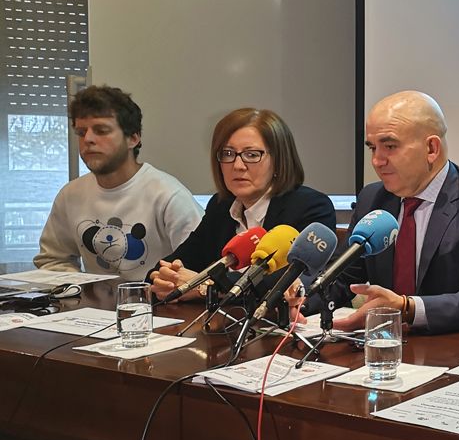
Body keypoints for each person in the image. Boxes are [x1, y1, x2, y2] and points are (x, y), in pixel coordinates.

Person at [312, 91, 459, 334]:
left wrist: (407, 307)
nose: (376, 161)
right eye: (372, 148)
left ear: (431, 148)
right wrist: (300, 299)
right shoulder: (373, 199)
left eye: (390, 146)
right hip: (393, 346)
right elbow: (342, 280)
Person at [149, 108, 335, 301]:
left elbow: (284, 284)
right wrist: (164, 278)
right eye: (228, 153)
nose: (238, 165)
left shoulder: (310, 207)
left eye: (252, 155)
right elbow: (176, 262)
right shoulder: (221, 207)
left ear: (278, 160)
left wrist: (205, 287)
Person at [34, 85, 203, 282]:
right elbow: (53, 260)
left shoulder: (168, 195)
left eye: (101, 130)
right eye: (81, 132)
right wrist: (83, 290)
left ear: (133, 138)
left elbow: (201, 266)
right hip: (91, 308)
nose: (88, 139)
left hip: (157, 307)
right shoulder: (70, 194)